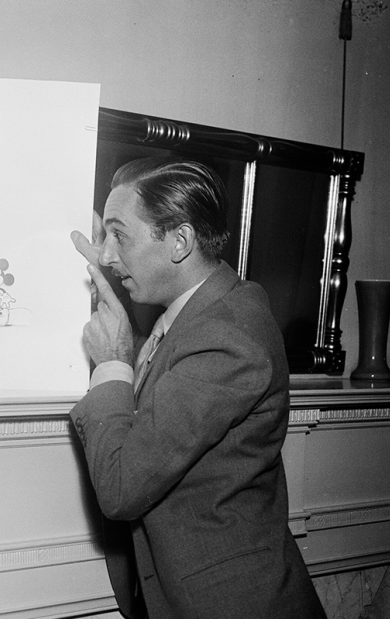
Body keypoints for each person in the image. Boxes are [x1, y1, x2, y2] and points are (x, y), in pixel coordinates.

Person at [69, 159, 326, 619]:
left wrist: (111, 363)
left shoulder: (227, 337)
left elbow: (123, 487)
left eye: (119, 235)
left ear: (180, 241)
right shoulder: (202, 315)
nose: (107, 255)